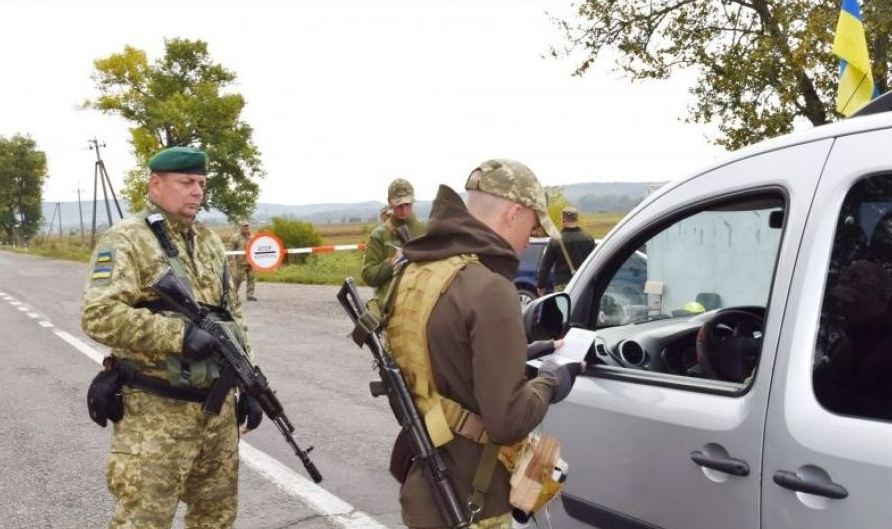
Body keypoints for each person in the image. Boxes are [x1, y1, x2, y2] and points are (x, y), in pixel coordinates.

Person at [386, 159, 583, 529]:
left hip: (426, 490)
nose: (532, 238)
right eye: (533, 224)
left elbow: (443, 363)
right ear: (513, 213)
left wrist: (521, 356)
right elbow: (507, 422)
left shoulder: (419, 272)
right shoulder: (491, 288)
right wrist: (552, 381)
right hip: (473, 502)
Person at [81, 146, 259, 529]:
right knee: (144, 522)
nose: (197, 191)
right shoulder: (128, 239)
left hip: (216, 417)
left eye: (201, 183)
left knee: (216, 519)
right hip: (156, 414)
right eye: (186, 182)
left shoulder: (210, 242)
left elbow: (233, 317)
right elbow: (98, 315)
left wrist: (249, 383)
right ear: (156, 184)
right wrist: (177, 335)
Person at [361, 177, 426, 299]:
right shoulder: (379, 235)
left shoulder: (427, 230)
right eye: (399, 205)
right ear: (390, 202)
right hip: (391, 304)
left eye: (407, 204)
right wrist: (391, 263)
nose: (404, 210)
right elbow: (368, 275)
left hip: (423, 299)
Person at [536, 206, 595, 296]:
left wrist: (540, 285)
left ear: (563, 219)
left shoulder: (556, 240)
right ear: (576, 219)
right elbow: (593, 263)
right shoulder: (588, 238)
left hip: (561, 284)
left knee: (563, 309)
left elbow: (545, 266)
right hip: (582, 282)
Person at [228, 220, 258, 301]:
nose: (246, 228)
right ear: (240, 227)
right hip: (239, 263)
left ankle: (250, 295)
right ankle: (233, 296)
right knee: (237, 279)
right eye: (244, 226)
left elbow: (256, 249)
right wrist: (231, 262)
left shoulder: (252, 237)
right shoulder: (235, 238)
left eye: (247, 226)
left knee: (251, 278)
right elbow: (230, 250)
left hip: (251, 262)